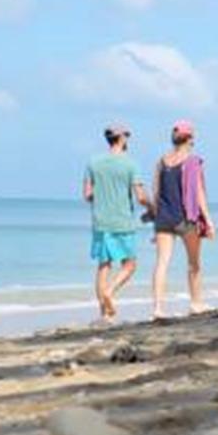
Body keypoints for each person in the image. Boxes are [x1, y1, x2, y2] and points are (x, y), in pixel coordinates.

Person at [83, 122, 150, 323]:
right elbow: (140, 197)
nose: (127, 139)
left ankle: (104, 314)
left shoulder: (93, 163)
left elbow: (87, 195)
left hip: (100, 221)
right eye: (126, 136)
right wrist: (152, 207)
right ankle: (110, 293)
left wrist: (103, 194)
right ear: (121, 138)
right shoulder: (130, 164)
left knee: (104, 265)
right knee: (130, 264)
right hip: (122, 221)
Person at [151, 120, 216, 319]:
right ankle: (196, 303)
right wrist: (209, 221)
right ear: (189, 139)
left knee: (162, 264)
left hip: (164, 219)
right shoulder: (193, 161)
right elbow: (198, 194)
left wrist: (156, 219)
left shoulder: (161, 161)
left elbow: (156, 193)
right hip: (186, 218)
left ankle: (158, 309)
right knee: (194, 264)